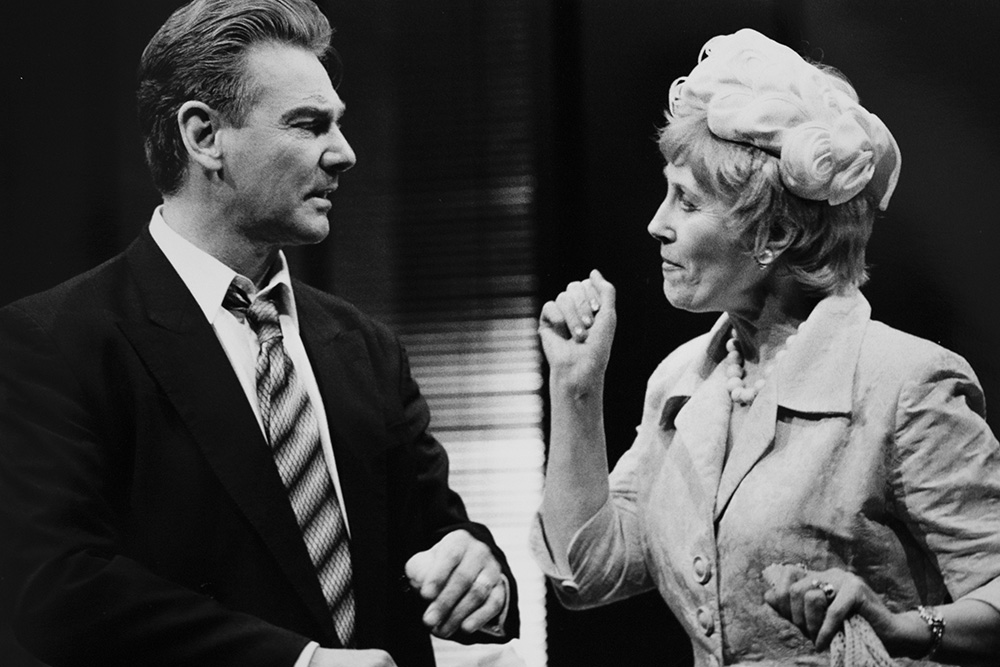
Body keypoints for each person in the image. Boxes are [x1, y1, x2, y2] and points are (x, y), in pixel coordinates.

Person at [0, 1, 519, 665]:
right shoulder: (55, 341)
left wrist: (480, 571)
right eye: (309, 124)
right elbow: (59, 589)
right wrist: (299, 663)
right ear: (204, 136)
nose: (345, 153)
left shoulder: (366, 347)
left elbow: (440, 534)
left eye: (339, 124)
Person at [532, 28, 1000, 666]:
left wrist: (902, 626)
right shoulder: (682, 384)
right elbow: (587, 576)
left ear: (773, 234)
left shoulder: (904, 383)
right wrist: (576, 388)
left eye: (686, 201)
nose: (657, 224)